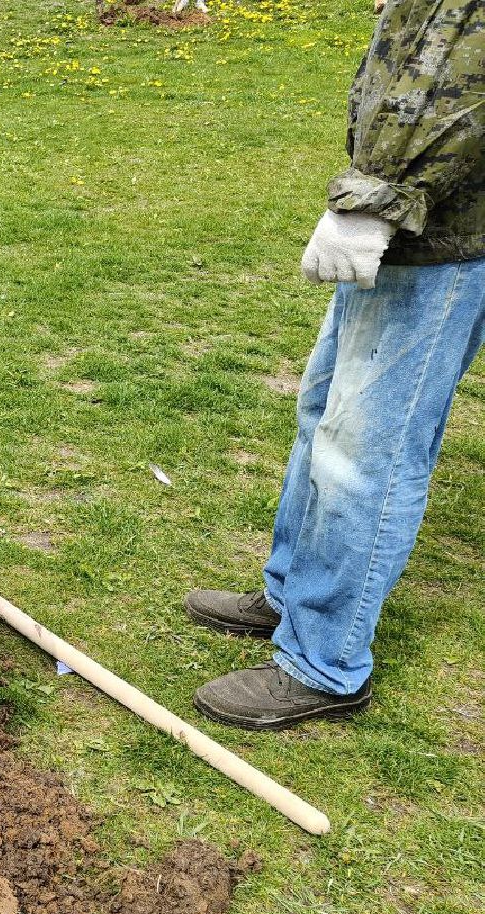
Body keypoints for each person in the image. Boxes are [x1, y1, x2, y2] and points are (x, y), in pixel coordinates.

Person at [187, 0, 484, 729]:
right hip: (416, 218)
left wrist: (375, 198)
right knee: (323, 414)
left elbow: (457, 64)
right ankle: (293, 593)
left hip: (442, 229)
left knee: (367, 452)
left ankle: (326, 661)